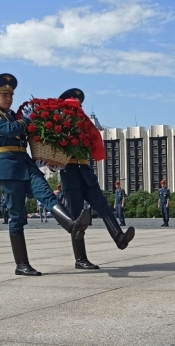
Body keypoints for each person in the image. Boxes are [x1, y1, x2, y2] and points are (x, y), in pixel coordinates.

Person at [0, 73, 90, 275]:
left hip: (26, 164)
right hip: (9, 168)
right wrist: (26, 121)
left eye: (11, 95)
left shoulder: (13, 115)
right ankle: (21, 264)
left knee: (47, 194)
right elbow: (7, 130)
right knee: (17, 216)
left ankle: (72, 225)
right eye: (4, 95)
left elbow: (27, 132)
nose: (8, 98)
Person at [56, 87, 135, 270]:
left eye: (80, 105)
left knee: (103, 206)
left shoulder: (83, 125)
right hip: (70, 173)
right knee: (77, 218)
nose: (78, 108)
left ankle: (119, 238)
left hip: (85, 171)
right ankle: (80, 259)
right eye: (74, 105)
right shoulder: (59, 126)